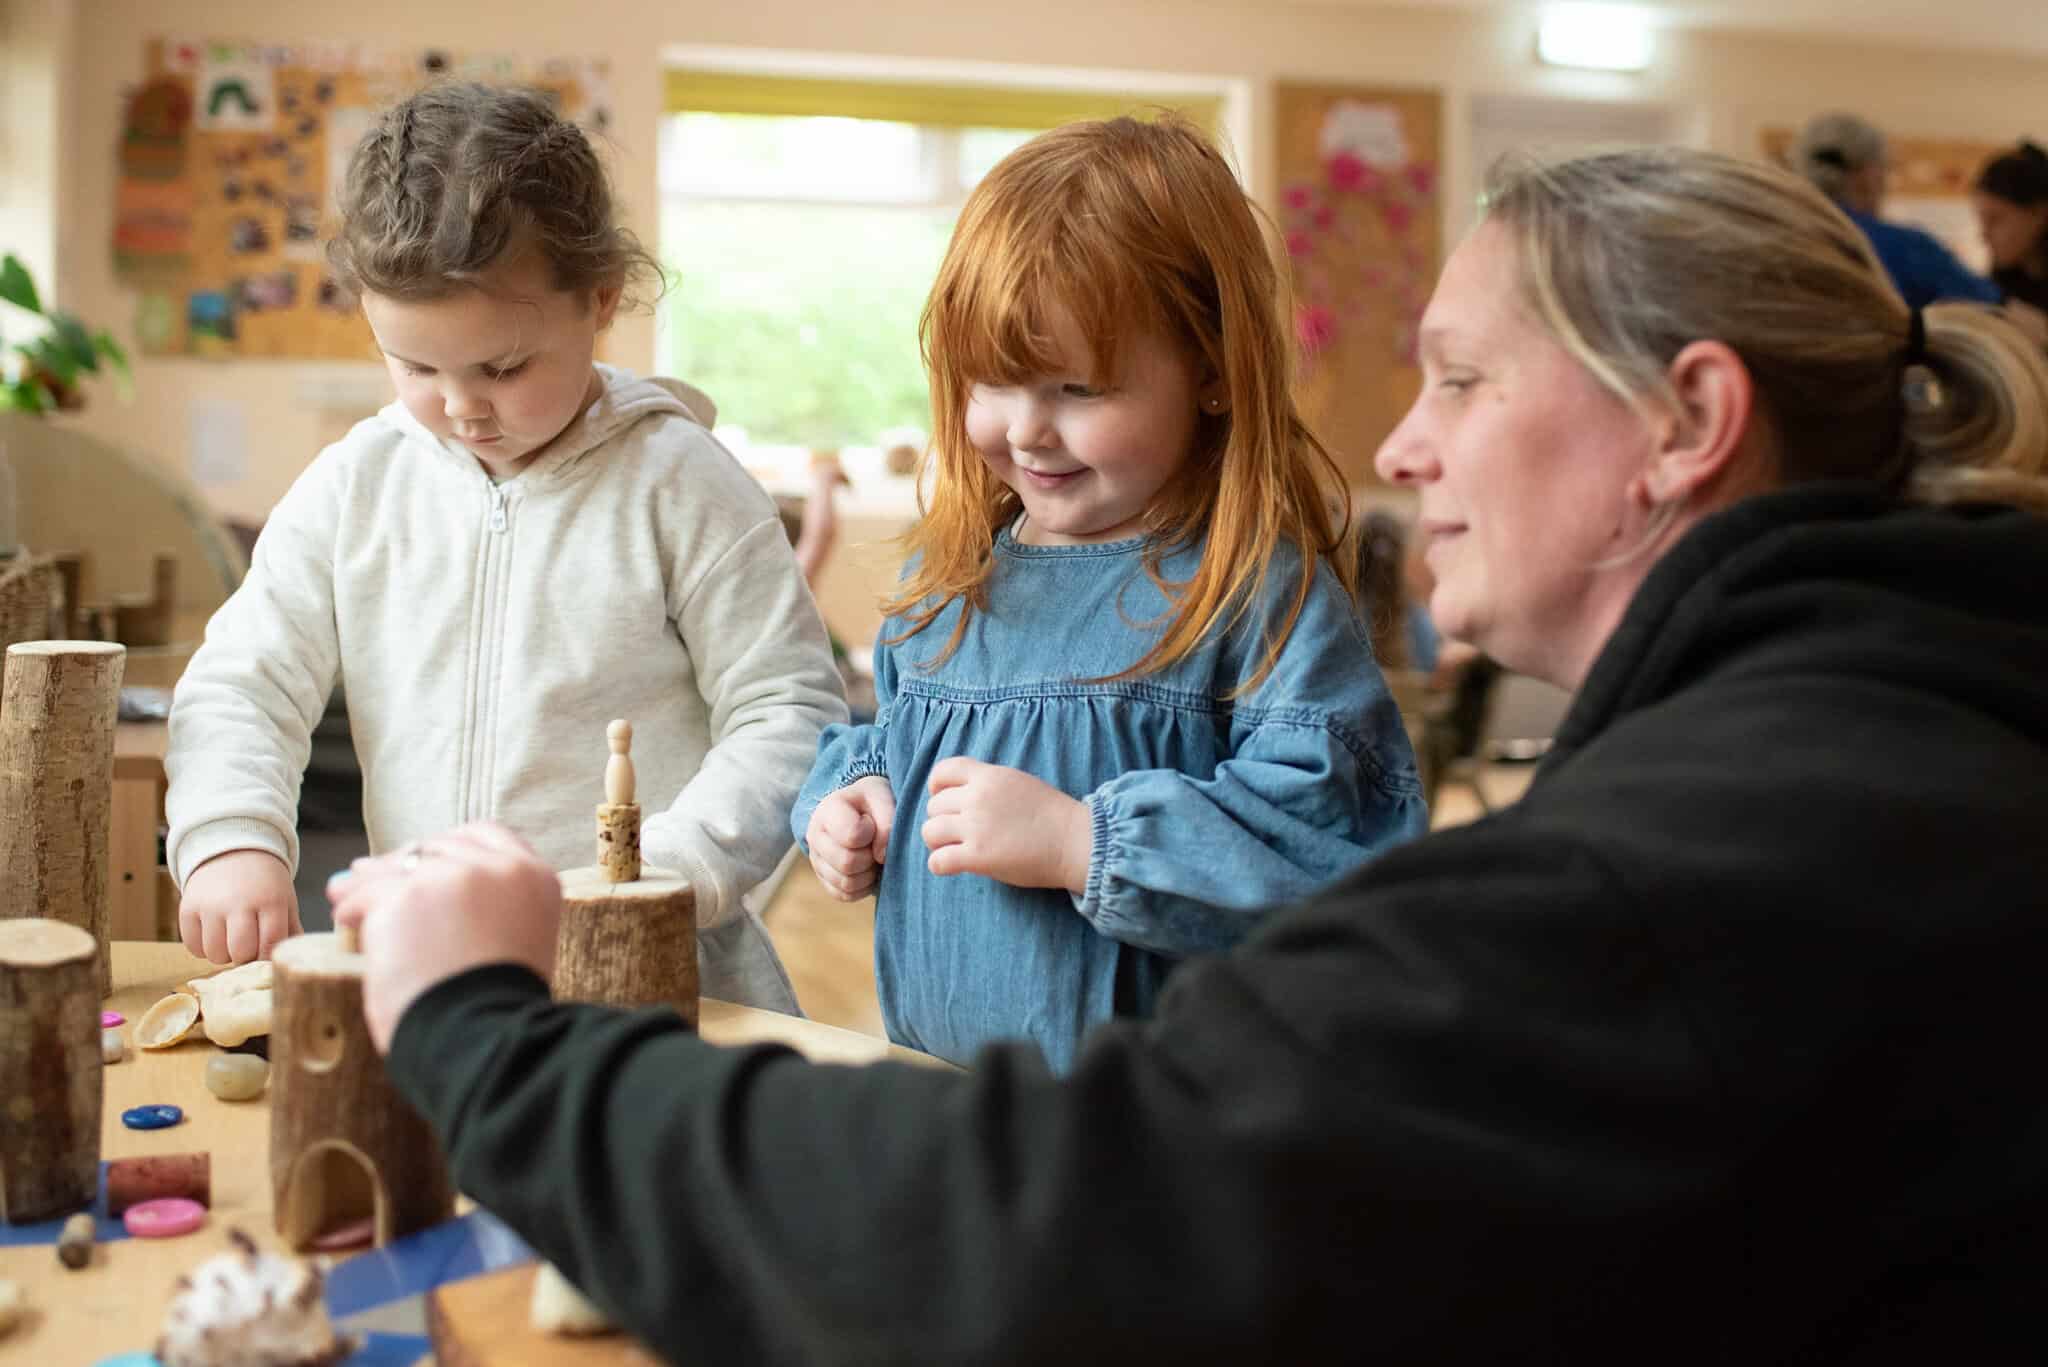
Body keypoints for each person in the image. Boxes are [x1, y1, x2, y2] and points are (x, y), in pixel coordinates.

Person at [330, 145, 2047, 1363]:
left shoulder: (1685, 863)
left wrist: (491, 1036)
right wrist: (854, 794)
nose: (1396, 439)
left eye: (1453, 378)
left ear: (1684, 421)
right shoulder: (1896, 730)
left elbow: (1079, 1231)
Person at [166, 83, 845, 1009]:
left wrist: (664, 879)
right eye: (416, 366)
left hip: (661, 981)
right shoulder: (357, 484)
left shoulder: (684, 483)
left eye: (503, 366)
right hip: (435, 978)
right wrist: (231, 834)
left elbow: (788, 708)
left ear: (598, 301)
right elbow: (244, 680)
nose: (461, 406)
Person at [792, 116, 1427, 1071]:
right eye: (994, 383)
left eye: (1077, 390)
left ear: (1210, 372)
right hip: (941, 1091)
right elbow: (887, 742)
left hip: (1161, 1138)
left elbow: (1341, 856)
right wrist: (848, 800)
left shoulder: (1254, 597)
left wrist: (1083, 841)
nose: (1028, 431)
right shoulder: (948, 586)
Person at [1791, 111, 2002, 311]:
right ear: (1867, 175)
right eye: (1885, 169)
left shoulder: (1783, 238)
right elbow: (1994, 308)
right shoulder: (1906, 249)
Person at [1972, 140, 2048, 313]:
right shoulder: (1998, 288)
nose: (1984, 235)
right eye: (1981, 220)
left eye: (1995, 220)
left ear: (2039, 214)